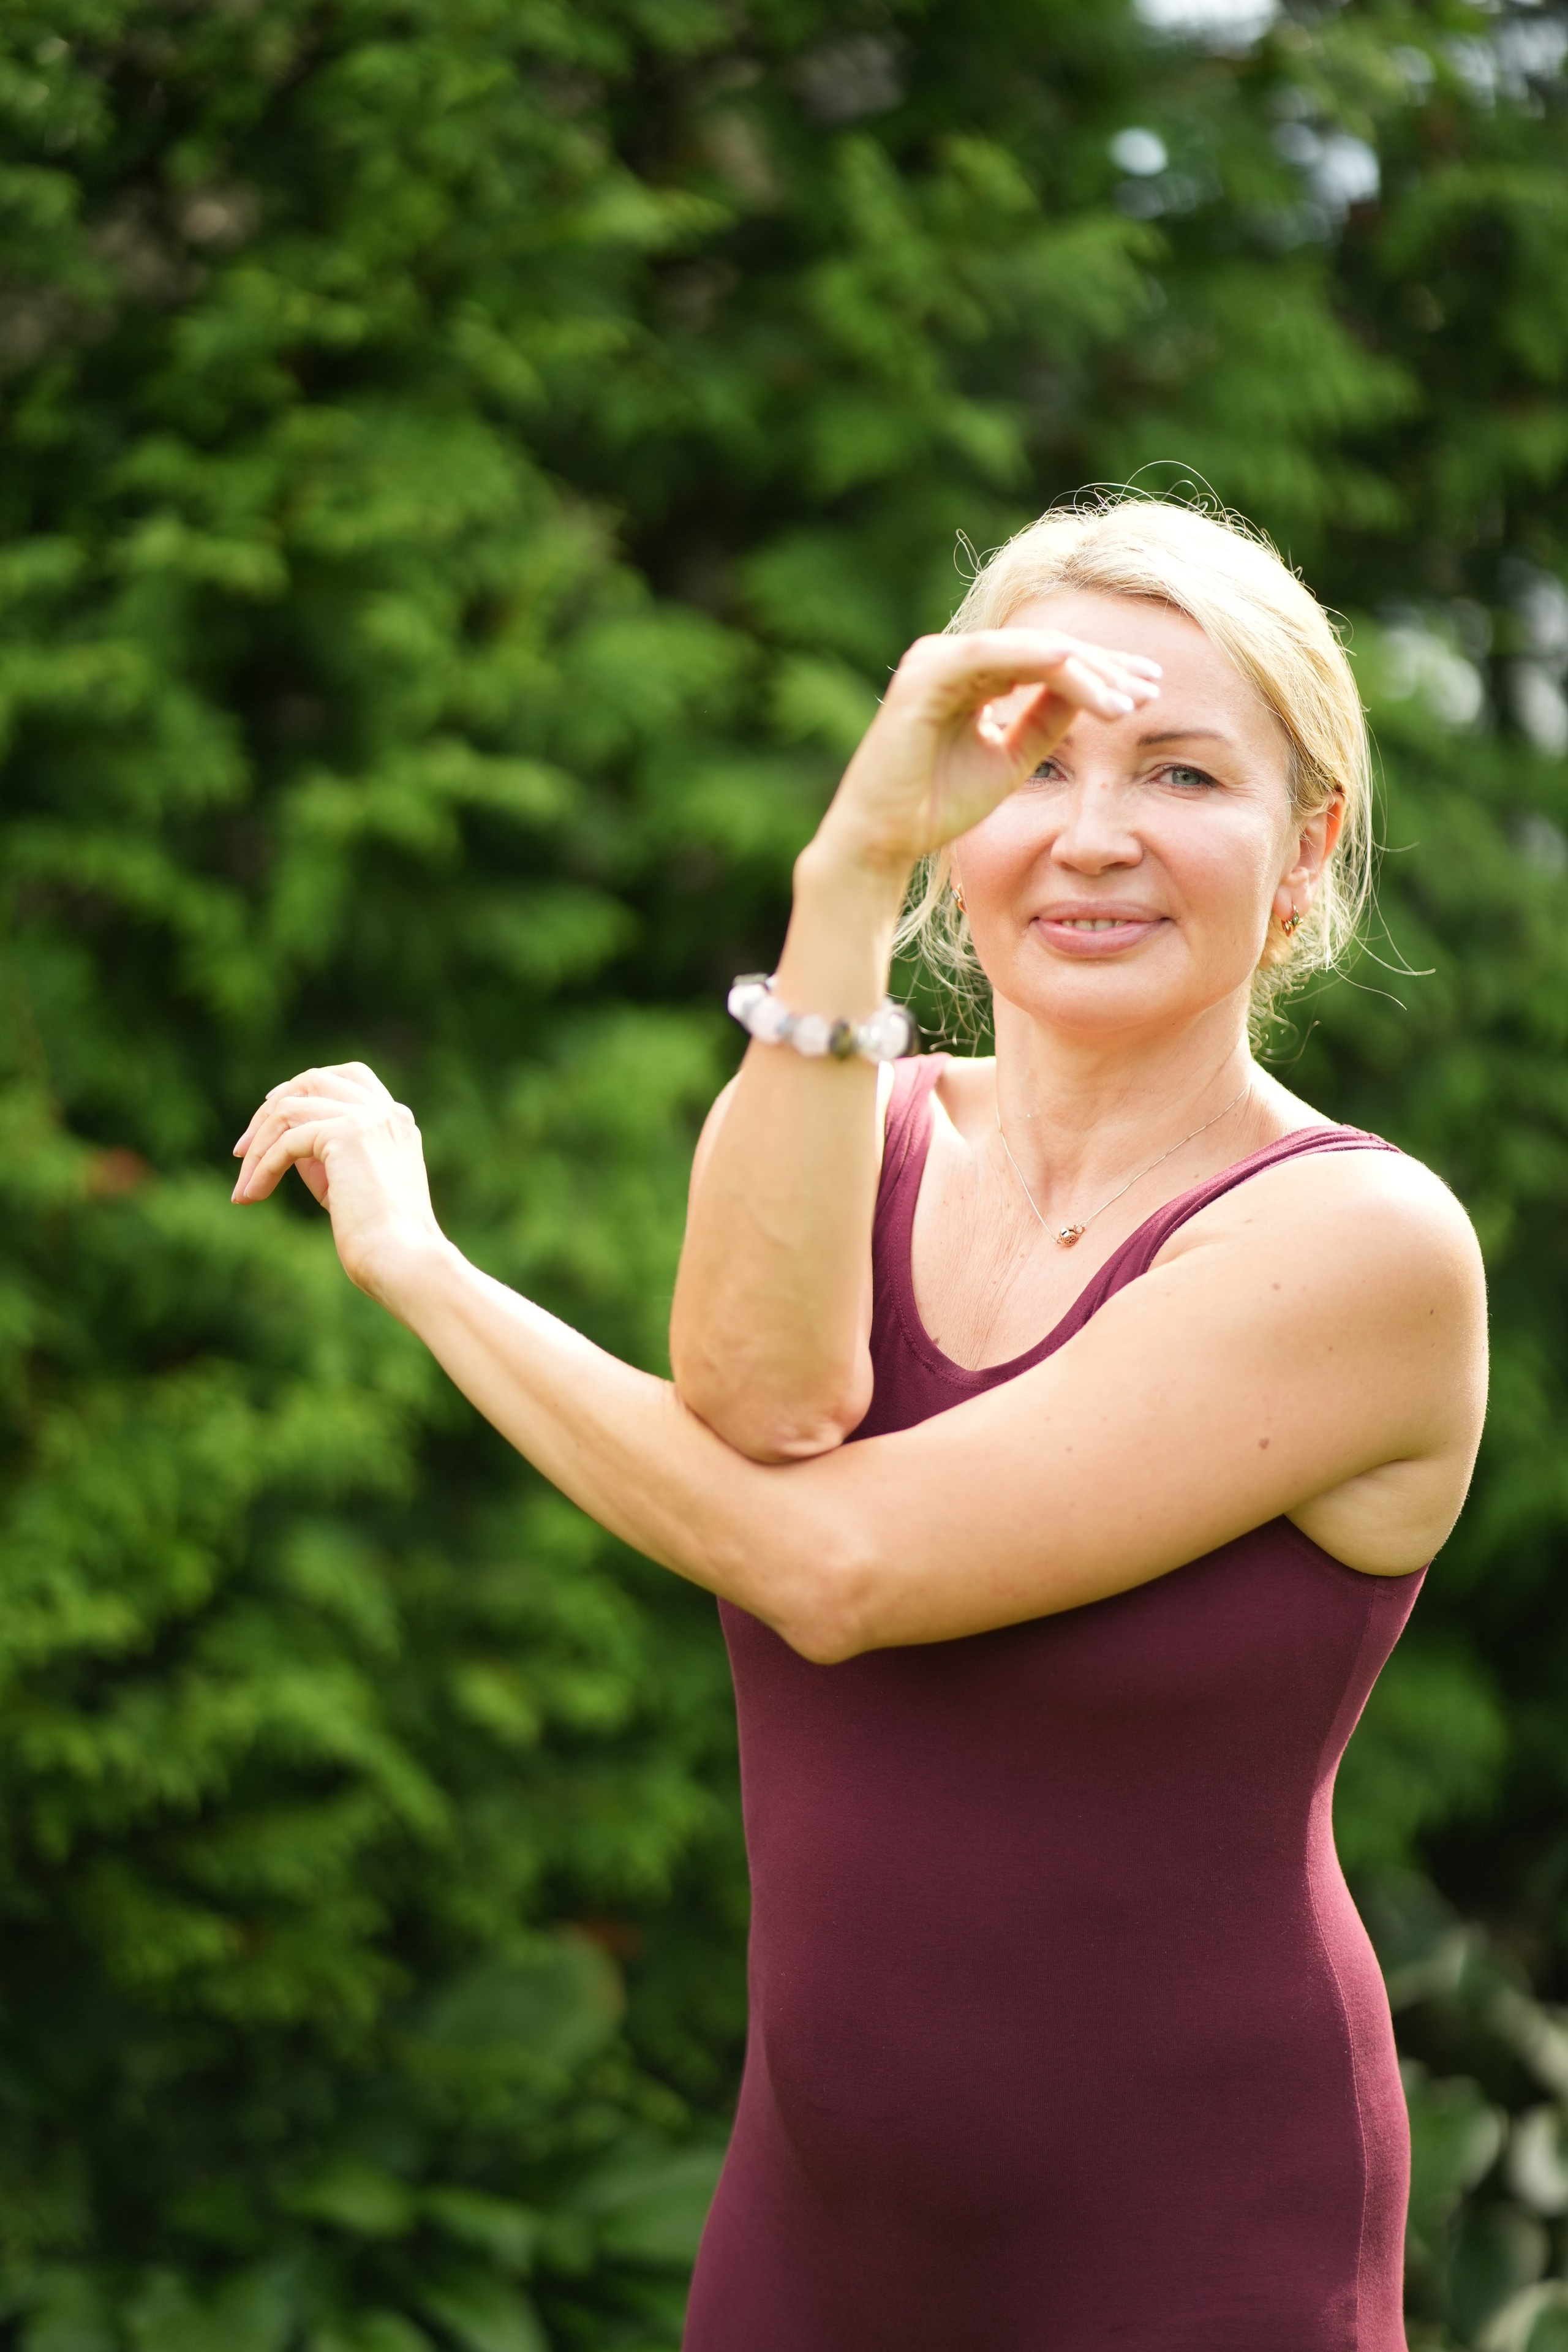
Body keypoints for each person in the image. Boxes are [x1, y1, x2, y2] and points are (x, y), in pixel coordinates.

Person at [232, 496, 1488, 2351]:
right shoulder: (863, 1125)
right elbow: (763, 1409)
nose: (1093, 834)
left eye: (1182, 774)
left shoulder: (1360, 1244)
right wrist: (846, 867)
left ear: (1303, 852)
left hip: (1193, 2248)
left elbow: (829, 1565)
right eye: (1033, 762)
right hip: (814, 2244)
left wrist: (426, 1269)